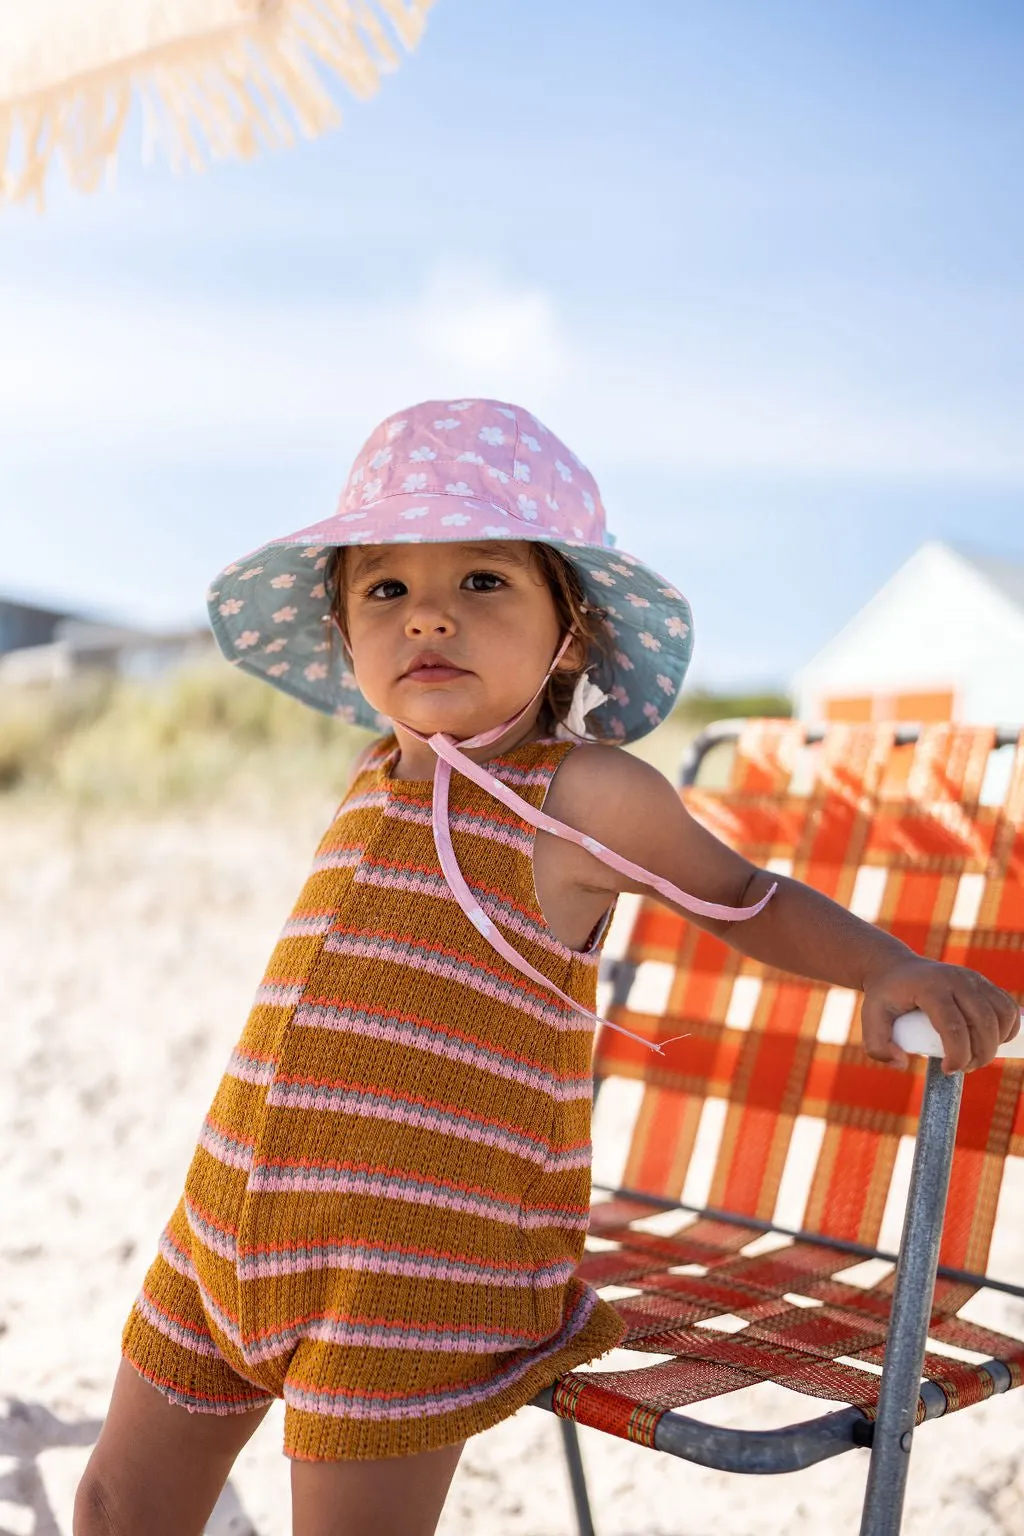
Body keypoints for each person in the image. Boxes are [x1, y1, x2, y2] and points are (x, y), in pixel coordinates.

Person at [75, 398, 1019, 1536]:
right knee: (117, 1504)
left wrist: (883, 966)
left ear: (567, 629)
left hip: (413, 1264)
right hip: (224, 1224)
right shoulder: (378, 770)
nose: (427, 618)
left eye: (481, 582)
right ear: (345, 633)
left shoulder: (582, 796)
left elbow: (745, 897)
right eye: (386, 590)